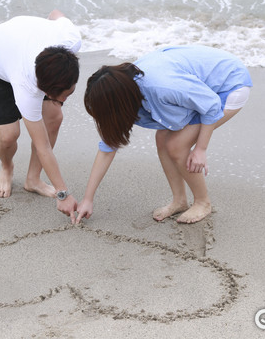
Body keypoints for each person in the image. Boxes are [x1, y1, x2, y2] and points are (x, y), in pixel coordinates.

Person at [76, 45, 252, 224]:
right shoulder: (125, 91)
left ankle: (202, 202)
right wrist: (88, 199)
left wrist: (200, 149)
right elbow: (107, 148)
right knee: (162, 138)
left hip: (228, 85)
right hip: (199, 88)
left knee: (177, 145)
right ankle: (179, 201)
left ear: (120, 104)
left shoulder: (161, 86)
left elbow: (211, 105)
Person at [0, 10, 81, 222]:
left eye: (70, 92)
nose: (65, 100)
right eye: (61, 97)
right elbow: (42, 145)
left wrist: (44, 27)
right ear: (43, 90)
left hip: (25, 49)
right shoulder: (27, 87)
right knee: (8, 136)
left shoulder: (70, 39)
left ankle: (33, 180)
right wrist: (63, 194)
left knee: (54, 117)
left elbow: (55, 13)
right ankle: (7, 167)